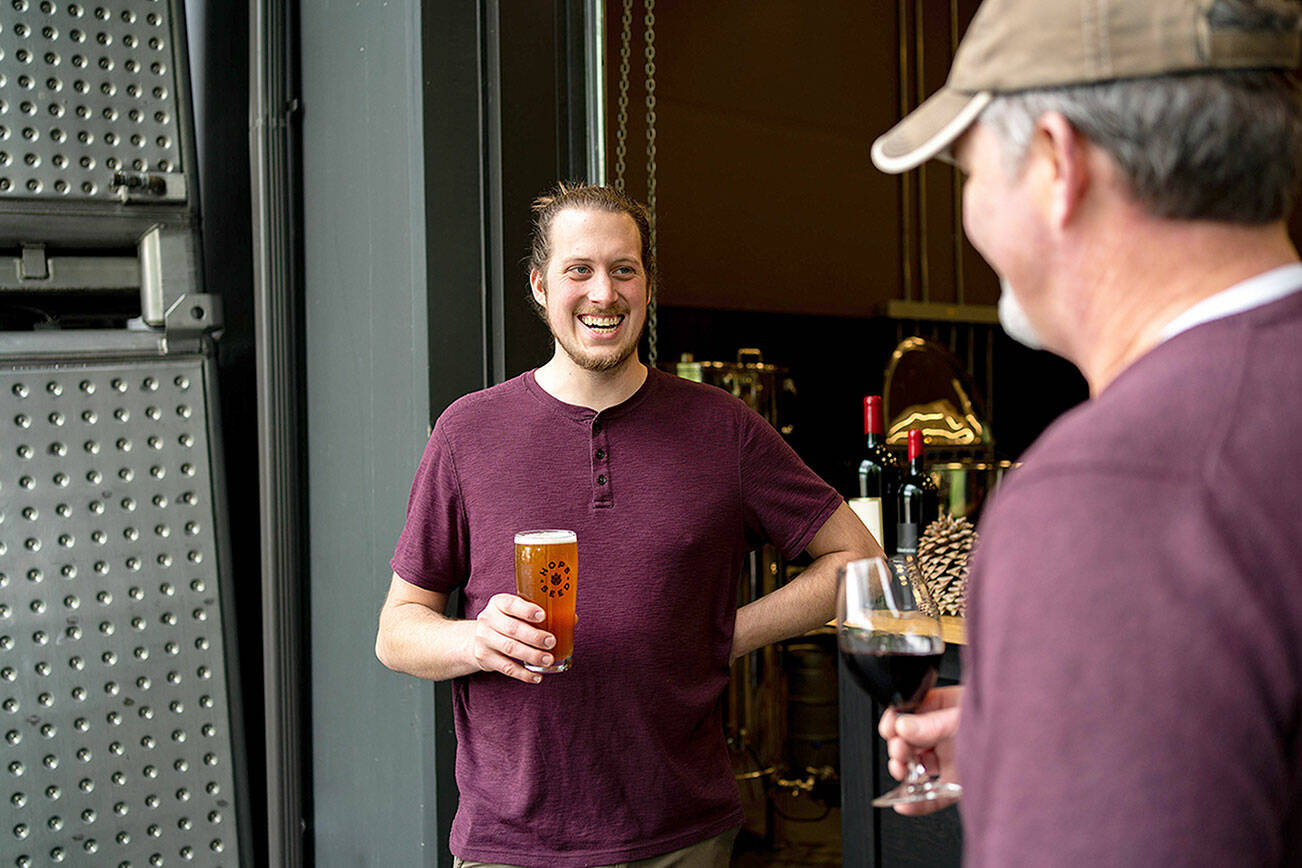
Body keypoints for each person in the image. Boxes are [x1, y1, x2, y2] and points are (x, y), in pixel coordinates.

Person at [868, 0, 1302, 863]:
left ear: (1056, 163)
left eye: (966, 172)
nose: (971, 206)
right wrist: (1041, 747)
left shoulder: (1108, 495)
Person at [375, 183, 879, 867]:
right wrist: (475, 641)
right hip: (512, 840)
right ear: (539, 285)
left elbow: (858, 561)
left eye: (624, 269)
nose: (603, 294)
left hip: (683, 834)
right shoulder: (470, 430)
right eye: (578, 270)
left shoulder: (722, 427)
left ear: (646, 283)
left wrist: (726, 634)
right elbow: (398, 630)